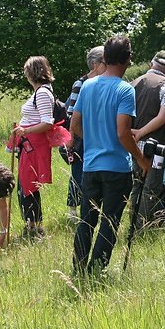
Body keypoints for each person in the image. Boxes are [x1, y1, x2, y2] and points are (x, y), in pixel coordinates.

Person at [71, 34, 151, 275]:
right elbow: (123, 133)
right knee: (110, 221)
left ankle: (78, 270)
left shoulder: (88, 85)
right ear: (127, 60)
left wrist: (94, 140)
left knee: (87, 220)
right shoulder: (125, 90)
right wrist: (140, 158)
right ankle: (97, 270)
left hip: (91, 167)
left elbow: (74, 124)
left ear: (104, 58)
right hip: (117, 168)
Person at [10, 55, 57, 240]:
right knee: (26, 185)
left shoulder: (43, 93)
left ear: (32, 72)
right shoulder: (41, 91)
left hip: (34, 146)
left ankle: (34, 228)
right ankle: (31, 225)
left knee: (29, 186)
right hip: (29, 145)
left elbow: (47, 122)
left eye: (26, 70)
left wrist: (24, 130)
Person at [129, 50, 165, 228]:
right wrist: (141, 132)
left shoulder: (133, 82)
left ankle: (133, 224)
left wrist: (133, 133)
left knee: (136, 184)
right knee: (151, 187)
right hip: (154, 145)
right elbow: (162, 117)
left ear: (151, 64)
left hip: (132, 143)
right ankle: (144, 227)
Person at [64, 46, 106, 220]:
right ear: (95, 64)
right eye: (106, 61)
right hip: (81, 136)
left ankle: (93, 207)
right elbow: (71, 113)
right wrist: (73, 138)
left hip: (98, 135)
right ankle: (73, 210)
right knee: (78, 173)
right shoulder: (80, 83)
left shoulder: (106, 82)